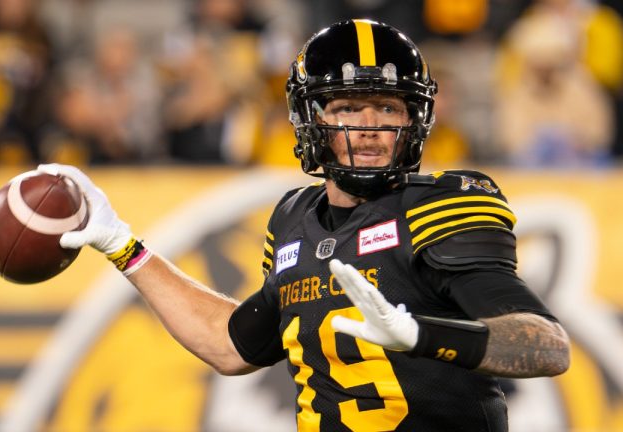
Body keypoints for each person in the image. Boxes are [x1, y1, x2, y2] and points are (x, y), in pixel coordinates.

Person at [40, 19, 570, 431]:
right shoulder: (295, 219)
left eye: (386, 106)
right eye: (346, 108)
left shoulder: (442, 207)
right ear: (310, 118)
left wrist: (418, 334)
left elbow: (547, 345)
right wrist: (121, 245)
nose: (368, 129)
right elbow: (232, 345)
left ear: (414, 119)